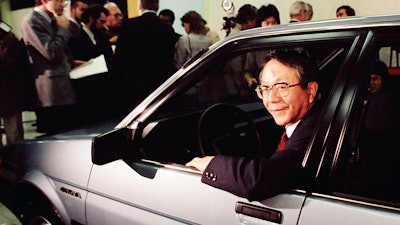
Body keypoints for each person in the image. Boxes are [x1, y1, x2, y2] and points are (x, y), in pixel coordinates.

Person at [186, 50, 320, 201]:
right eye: (265, 89)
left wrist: (211, 164)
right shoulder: (306, 121)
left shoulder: (315, 131)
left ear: (310, 90)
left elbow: (260, 180)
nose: (271, 99)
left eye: (282, 87)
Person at [22, 0, 79, 133]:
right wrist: (63, 29)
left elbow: (71, 38)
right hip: (52, 93)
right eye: (59, 0)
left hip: (65, 87)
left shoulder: (54, 19)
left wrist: (71, 61)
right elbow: (51, 52)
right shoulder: (32, 21)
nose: (63, 4)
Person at [112, 0, 176, 115]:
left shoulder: (129, 25)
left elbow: (120, 58)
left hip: (133, 84)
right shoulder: (167, 29)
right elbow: (169, 58)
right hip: (159, 84)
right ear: (157, 6)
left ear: (139, 6)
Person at [68, 4, 114, 123]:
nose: (104, 25)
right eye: (101, 21)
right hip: (87, 91)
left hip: (104, 90)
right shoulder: (75, 38)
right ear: (90, 19)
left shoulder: (103, 36)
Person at [243, 4, 281, 92]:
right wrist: (249, 79)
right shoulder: (255, 46)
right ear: (260, 25)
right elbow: (247, 71)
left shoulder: (285, 43)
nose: (271, 26)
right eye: (267, 23)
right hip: (263, 90)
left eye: (273, 22)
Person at [0, 28, 24, 147]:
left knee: (14, 136)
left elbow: (17, 63)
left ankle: (14, 162)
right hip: (8, 92)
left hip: (8, 92)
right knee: (14, 134)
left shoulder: (7, 36)